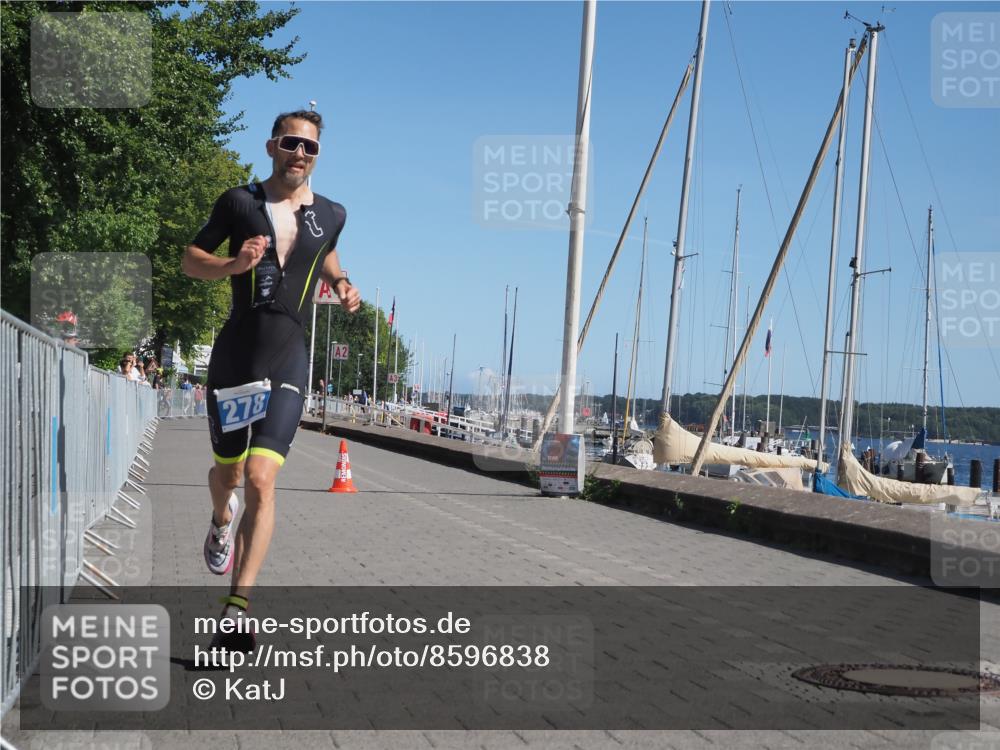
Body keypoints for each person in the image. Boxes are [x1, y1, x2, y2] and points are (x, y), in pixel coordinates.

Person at [182, 108, 360, 647]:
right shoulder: (239, 202)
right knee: (229, 478)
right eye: (290, 143)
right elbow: (191, 259)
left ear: (317, 155)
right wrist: (232, 266)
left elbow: (324, 253)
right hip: (236, 357)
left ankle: (236, 610)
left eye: (309, 147)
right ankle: (220, 520)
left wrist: (345, 281)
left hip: (289, 357)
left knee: (262, 477)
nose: (299, 154)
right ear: (271, 147)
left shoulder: (332, 213)